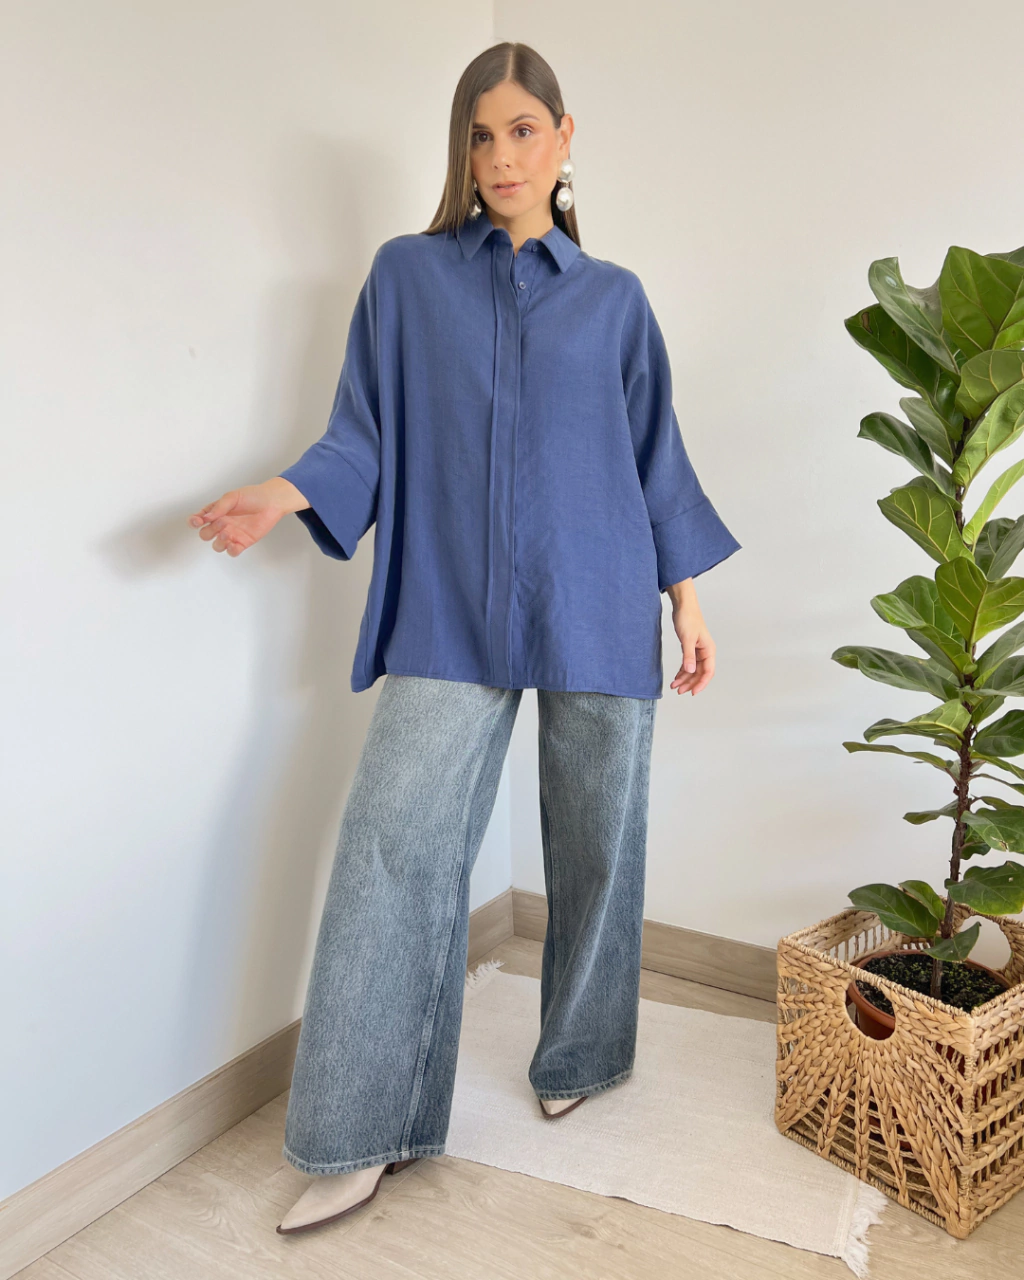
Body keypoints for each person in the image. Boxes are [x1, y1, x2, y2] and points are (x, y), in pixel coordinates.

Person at [188, 42, 741, 1236]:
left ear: (564, 136)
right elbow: (363, 430)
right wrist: (283, 492)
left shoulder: (615, 299)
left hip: (598, 596)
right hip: (451, 602)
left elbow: (657, 462)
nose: (500, 156)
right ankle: (361, 1126)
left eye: (522, 130)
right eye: (480, 135)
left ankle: (580, 1051)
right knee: (392, 845)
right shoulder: (407, 277)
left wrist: (686, 599)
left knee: (597, 841)